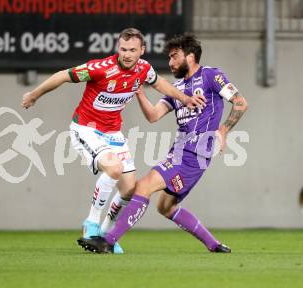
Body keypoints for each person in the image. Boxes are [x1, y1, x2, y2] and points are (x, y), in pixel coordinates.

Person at [22, 28, 205, 253]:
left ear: (142, 50)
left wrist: (186, 99)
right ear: (118, 48)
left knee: (130, 189)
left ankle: (106, 237)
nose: (127, 54)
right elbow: (62, 75)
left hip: (113, 134)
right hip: (86, 129)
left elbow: (160, 84)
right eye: (123, 49)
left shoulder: (143, 69)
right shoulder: (100, 68)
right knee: (114, 168)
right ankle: (91, 224)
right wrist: (34, 95)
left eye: (132, 50)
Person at [78, 34, 248, 253]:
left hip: (195, 151)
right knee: (165, 207)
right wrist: (139, 92)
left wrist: (223, 131)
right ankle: (214, 245)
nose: (170, 62)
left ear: (191, 56)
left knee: (142, 186)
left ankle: (108, 241)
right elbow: (153, 116)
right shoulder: (176, 88)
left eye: (174, 56)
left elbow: (241, 103)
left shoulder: (211, 75)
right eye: (169, 57)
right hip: (179, 151)